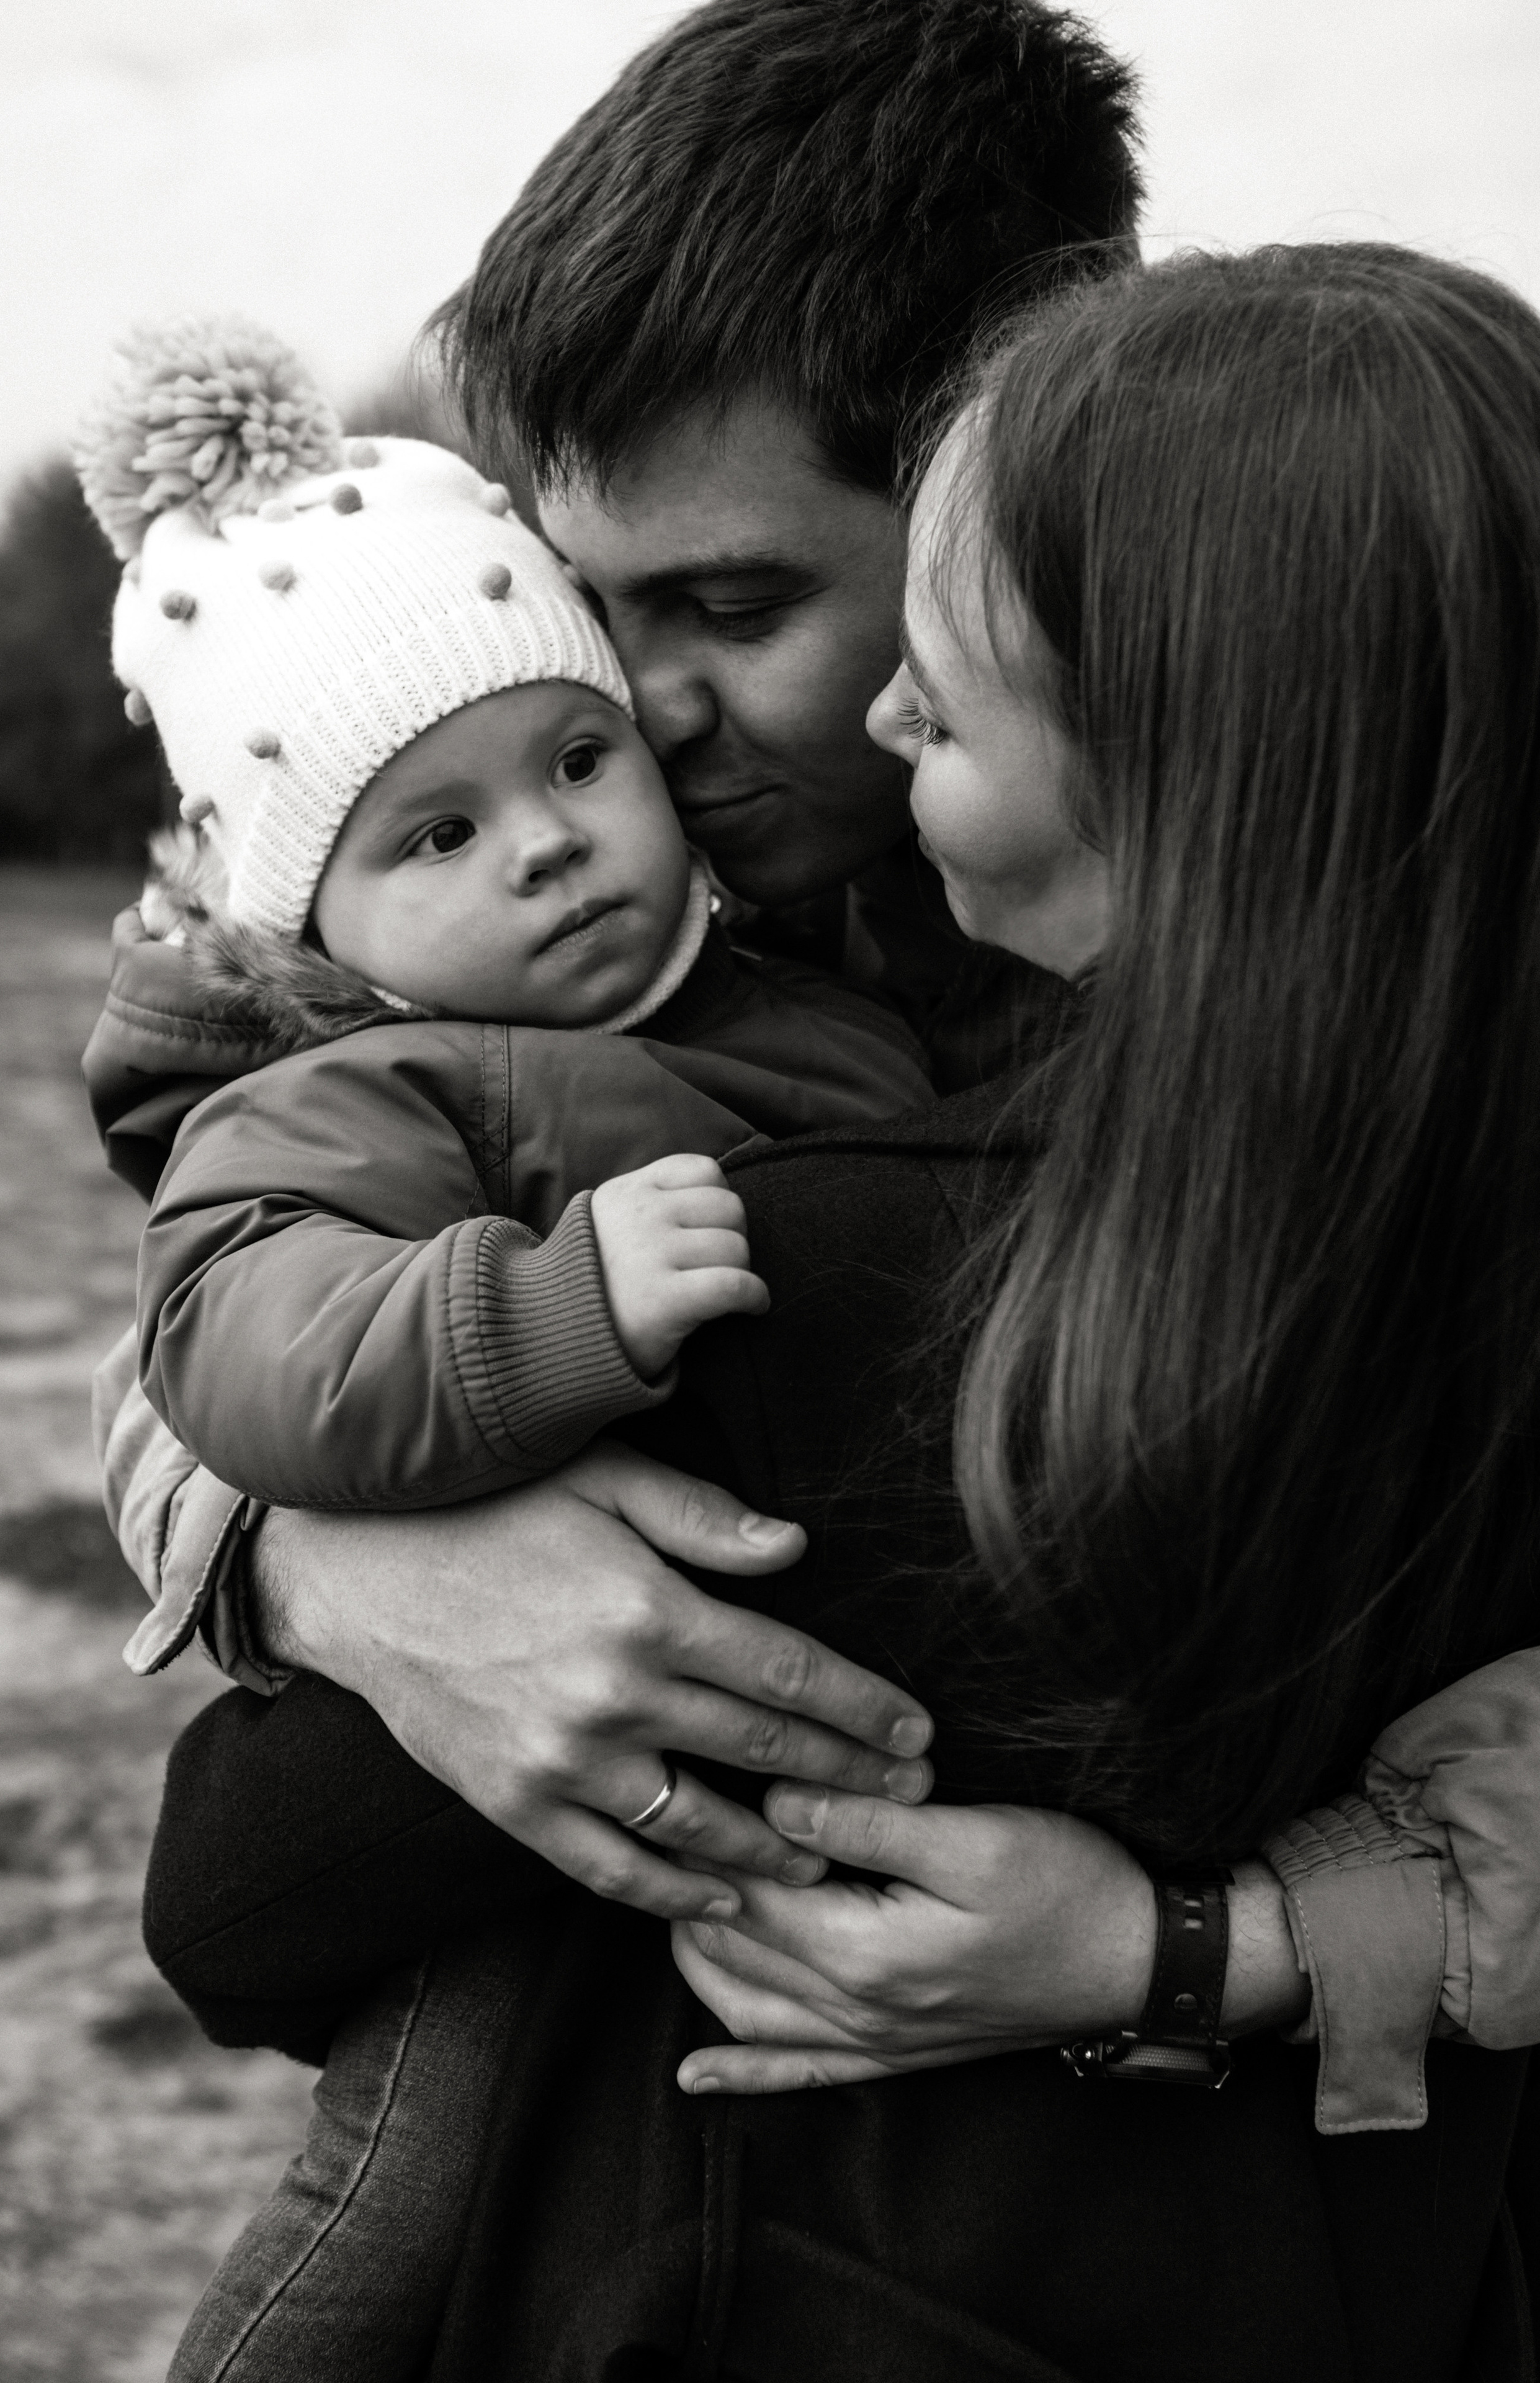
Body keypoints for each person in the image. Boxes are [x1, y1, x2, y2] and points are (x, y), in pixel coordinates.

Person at [148, 244, 1540, 2381]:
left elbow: (237, 1907)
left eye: (944, 682)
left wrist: (1186, 1958)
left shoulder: (830, 1287)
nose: (885, 721)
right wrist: (280, 1531)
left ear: (1169, 759)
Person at [75, 320, 928, 1551]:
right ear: (309, 927)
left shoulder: (803, 975)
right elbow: (238, 1336)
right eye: (439, 837)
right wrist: (547, 1312)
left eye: (579, 761)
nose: (543, 842)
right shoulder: (351, 1099)